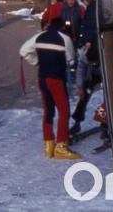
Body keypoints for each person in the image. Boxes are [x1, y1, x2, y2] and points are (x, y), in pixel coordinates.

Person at [19, 16, 81, 160]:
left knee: (48, 110)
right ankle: (61, 145)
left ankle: (49, 145)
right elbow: (71, 59)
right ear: (62, 27)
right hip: (56, 79)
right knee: (64, 111)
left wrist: (36, 62)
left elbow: (23, 51)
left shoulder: (38, 36)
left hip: (42, 78)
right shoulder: (64, 38)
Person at [71, 0, 102, 135]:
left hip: (105, 70)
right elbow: (80, 71)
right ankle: (77, 122)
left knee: (112, 95)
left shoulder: (103, 53)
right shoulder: (84, 56)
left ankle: (110, 123)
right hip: (95, 72)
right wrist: (80, 88)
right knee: (86, 93)